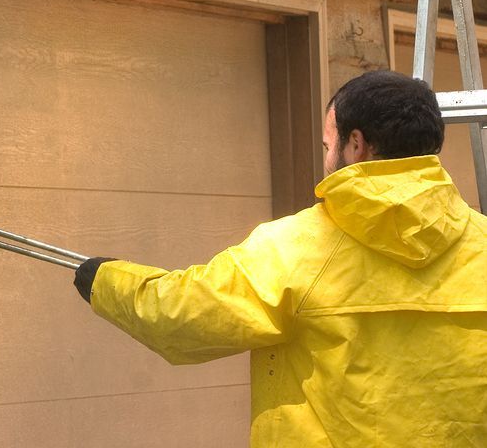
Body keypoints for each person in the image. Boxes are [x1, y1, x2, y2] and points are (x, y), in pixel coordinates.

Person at [74, 70, 486, 447]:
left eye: (328, 145)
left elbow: (183, 316)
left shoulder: (299, 247)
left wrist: (106, 281)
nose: (326, 159)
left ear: (356, 144)